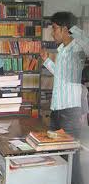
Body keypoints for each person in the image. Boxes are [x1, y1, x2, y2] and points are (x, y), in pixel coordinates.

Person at [40, 11, 88, 184]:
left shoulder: (78, 48)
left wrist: (74, 28)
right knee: (57, 158)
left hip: (70, 112)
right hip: (57, 110)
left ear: (65, 29)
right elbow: (61, 76)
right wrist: (46, 60)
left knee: (71, 161)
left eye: (54, 28)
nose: (52, 32)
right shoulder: (63, 50)